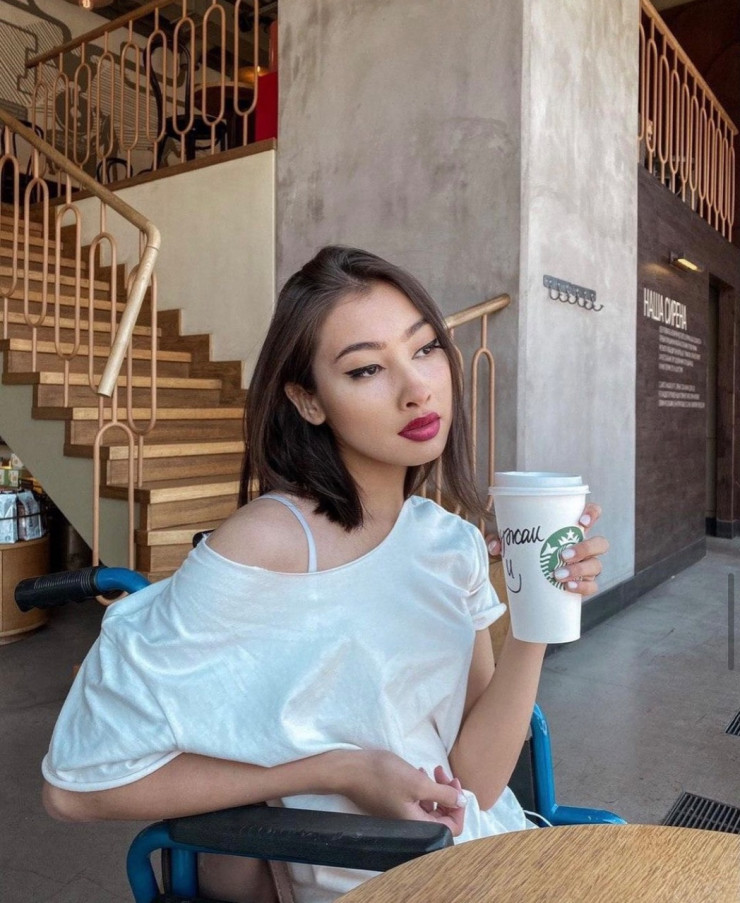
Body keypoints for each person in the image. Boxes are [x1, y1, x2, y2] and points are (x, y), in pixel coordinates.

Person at [41, 246, 607, 902]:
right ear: (308, 399)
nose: (417, 388)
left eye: (425, 349)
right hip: (362, 879)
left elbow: (473, 786)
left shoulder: (449, 542)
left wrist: (537, 614)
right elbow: (75, 787)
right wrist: (336, 770)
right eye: (366, 368)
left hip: (473, 856)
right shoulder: (270, 543)